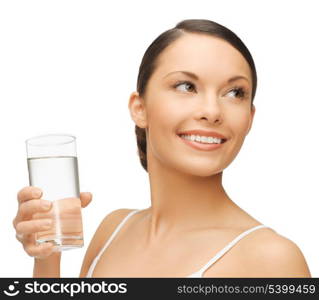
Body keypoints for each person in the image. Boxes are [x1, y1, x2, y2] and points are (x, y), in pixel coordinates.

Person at [13, 19, 311, 277]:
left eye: (235, 92)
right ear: (139, 108)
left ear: (249, 118)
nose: (212, 111)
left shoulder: (271, 258)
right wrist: (47, 256)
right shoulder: (113, 230)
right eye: (186, 86)